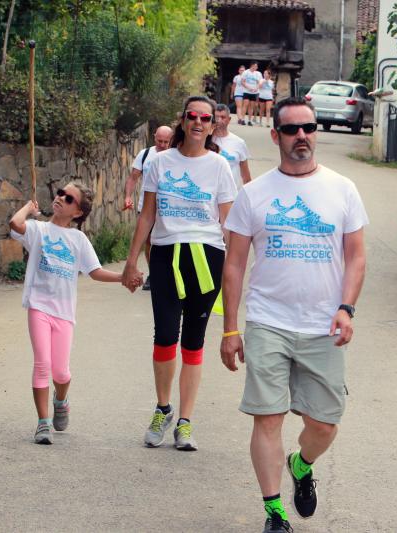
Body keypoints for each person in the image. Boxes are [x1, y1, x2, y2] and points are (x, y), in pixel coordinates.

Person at [220, 96, 368, 533]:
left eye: (309, 127)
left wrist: (346, 308)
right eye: (291, 129)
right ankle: (275, 513)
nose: (301, 136)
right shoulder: (254, 194)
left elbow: (356, 256)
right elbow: (234, 264)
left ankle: (301, 466)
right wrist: (231, 328)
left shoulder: (342, 189)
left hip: (324, 326)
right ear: (276, 135)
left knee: (324, 423)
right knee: (268, 417)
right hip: (268, 321)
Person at [122, 96, 237, 451]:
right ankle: (163, 408)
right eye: (193, 116)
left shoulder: (220, 166)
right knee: (165, 336)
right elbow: (147, 215)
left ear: (213, 125)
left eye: (206, 118)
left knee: (193, 341)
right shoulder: (160, 162)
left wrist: (236, 267)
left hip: (207, 257)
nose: (199, 122)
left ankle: (185, 422)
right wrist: (131, 262)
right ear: (183, 121)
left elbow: (229, 223)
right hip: (166, 254)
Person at [9, 183, 127, 445]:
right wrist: (28, 209)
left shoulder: (78, 240)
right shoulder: (39, 230)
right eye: (61, 192)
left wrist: (122, 277)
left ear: (78, 212)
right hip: (39, 306)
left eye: (69, 198)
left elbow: (94, 271)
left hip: (63, 313)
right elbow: (15, 224)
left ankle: (61, 400)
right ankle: (43, 423)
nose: (60, 197)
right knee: (42, 364)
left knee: (60, 372)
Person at [124, 125, 174, 290]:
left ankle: (169, 274)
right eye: (160, 141)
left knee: (169, 242)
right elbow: (133, 178)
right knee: (149, 242)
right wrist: (127, 196)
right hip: (146, 206)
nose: (163, 145)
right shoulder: (145, 154)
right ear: (154, 138)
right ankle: (154, 273)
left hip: (169, 208)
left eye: (166, 142)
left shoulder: (176, 156)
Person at [213, 103, 252, 189]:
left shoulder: (239, 143)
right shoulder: (204, 140)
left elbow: (245, 175)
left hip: (232, 195)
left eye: (223, 117)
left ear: (229, 119)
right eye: (216, 117)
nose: (219, 120)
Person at [241, 61, 262, 126]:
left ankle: (249, 120)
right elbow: (243, 82)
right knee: (245, 105)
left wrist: (256, 88)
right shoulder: (246, 72)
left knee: (251, 106)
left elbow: (259, 82)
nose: (256, 67)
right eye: (255, 66)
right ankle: (243, 119)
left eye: (257, 66)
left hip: (254, 92)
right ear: (252, 66)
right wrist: (249, 88)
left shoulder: (258, 73)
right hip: (247, 91)